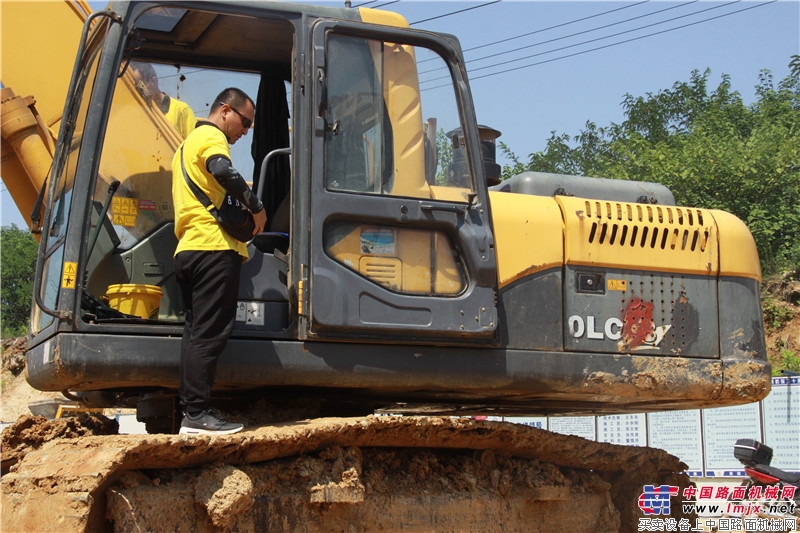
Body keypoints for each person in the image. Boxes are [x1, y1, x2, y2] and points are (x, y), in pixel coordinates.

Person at [171, 88, 267, 435]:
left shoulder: (185, 147)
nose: (246, 131)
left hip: (189, 250)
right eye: (245, 122)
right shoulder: (210, 137)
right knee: (210, 336)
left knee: (196, 335)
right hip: (213, 249)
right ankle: (197, 415)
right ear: (225, 111)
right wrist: (256, 206)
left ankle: (190, 411)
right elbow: (222, 169)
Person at [131, 61, 197, 139]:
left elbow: (194, 144)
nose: (139, 90)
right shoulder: (138, 113)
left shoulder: (181, 110)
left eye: (141, 85)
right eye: (135, 86)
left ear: (153, 81)